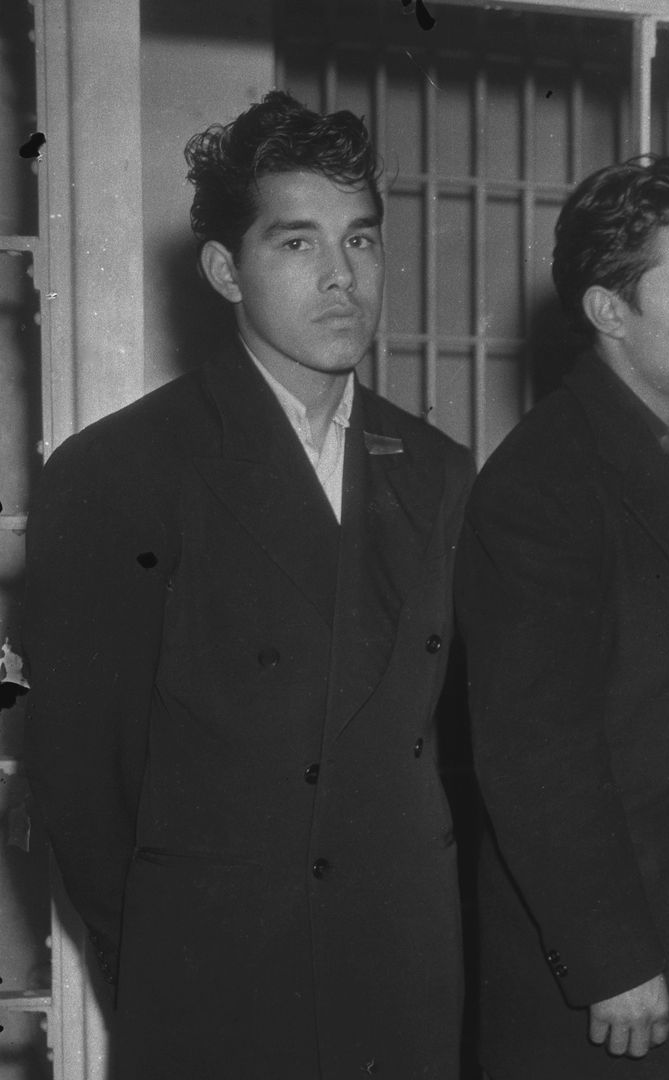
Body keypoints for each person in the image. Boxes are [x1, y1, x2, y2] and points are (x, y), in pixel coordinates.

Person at [26, 91, 471, 1076]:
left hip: (399, 981)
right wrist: (160, 959)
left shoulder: (436, 470)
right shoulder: (122, 474)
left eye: (360, 242)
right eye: (297, 244)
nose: (341, 278)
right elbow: (78, 775)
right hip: (220, 986)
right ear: (226, 269)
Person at [456, 154, 669, 1077]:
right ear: (608, 312)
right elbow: (534, 752)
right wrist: (611, 956)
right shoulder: (537, 484)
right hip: (607, 985)